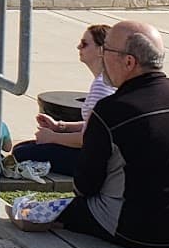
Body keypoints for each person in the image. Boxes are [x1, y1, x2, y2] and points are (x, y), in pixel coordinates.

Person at [57, 20, 169, 248]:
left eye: (106, 50)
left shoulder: (111, 109)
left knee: (49, 213)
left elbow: (85, 186)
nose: (102, 57)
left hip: (139, 232)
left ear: (129, 62)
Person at [11, 24, 115, 173]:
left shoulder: (101, 86)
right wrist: (61, 126)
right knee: (24, 148)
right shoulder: (107, 80)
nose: (78, 47)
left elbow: (89, 138)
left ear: (101, 50)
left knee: (21, 153)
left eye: (85, 44)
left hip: (92, 159)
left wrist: (52, 137)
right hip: (98, 154)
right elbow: (95, 125)